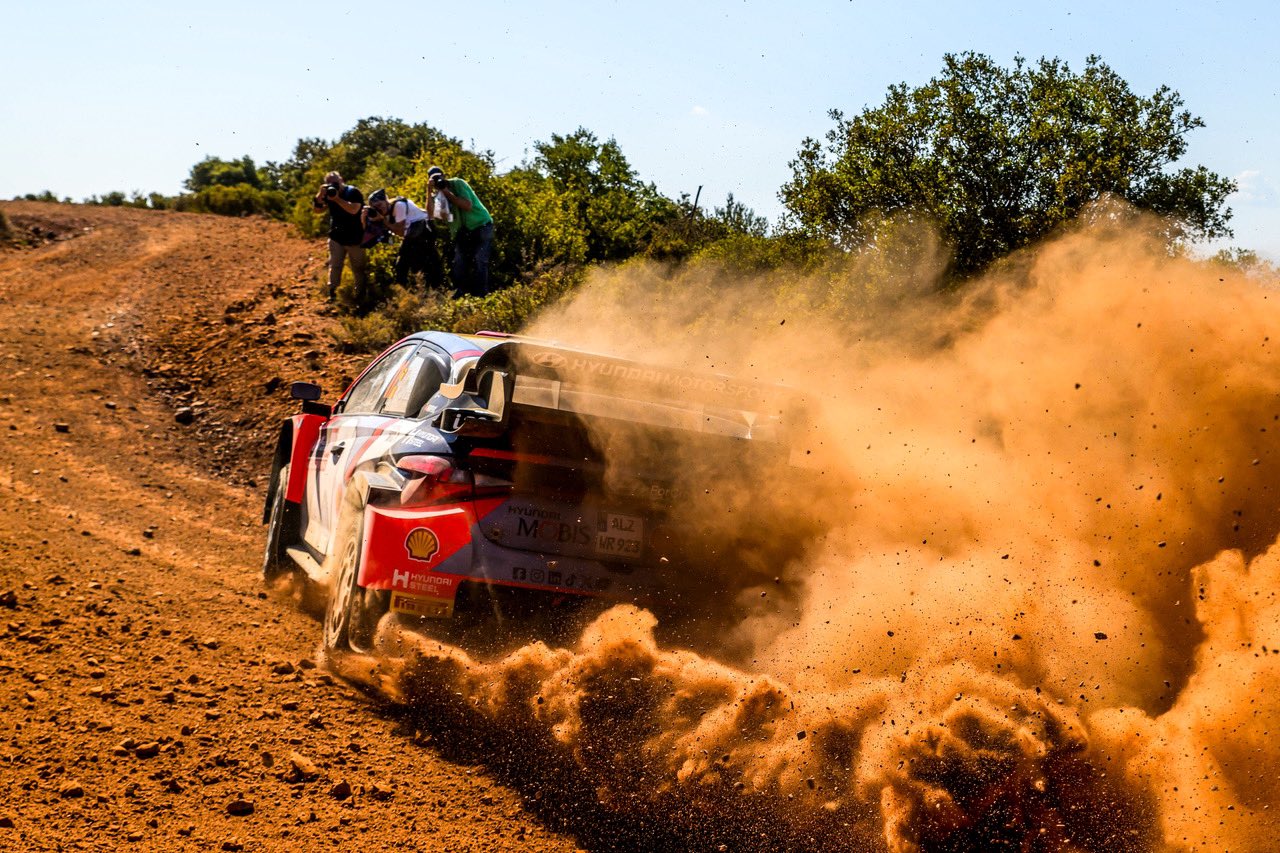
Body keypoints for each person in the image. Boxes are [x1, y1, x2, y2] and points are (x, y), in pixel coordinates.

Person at [426, 165, 493, 297]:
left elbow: (467, 206)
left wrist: (446, 191)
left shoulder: (458, 183)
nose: (438, 181)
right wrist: (428, 191)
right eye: (434, 179)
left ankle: (482, 295)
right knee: (459, 263)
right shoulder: (436, 196)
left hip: (481, 225)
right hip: (462, 232)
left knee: (480, 260)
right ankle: (461, 294)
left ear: (444, 176)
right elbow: (431, 214)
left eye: (440, 177)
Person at [365, 189, 443, 289]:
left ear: (386, 201)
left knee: (422, 265)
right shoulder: (387, 211)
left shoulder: (398, 206)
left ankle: (431, 291)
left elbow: (400, 231)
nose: (379, 208)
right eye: (375, 207)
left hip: (423, 233)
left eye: (380, 205)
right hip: (413, 235)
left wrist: (383, 220)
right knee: (402, 265)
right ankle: (407, 292)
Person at [312, 172, 366, 303]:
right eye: (330, 183)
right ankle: (333, 294)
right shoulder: (328, 194)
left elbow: (354, 210)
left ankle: (359, 295)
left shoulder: (353, 192)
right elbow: (317, 210)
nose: (334, 185)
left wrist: (336, 199)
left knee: (358, 268)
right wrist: (320, 194)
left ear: (341, 180)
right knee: (335, 265)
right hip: (336, 237)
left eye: (336, 182)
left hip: (355, 237)